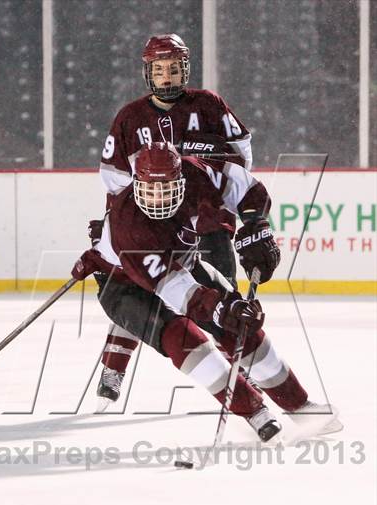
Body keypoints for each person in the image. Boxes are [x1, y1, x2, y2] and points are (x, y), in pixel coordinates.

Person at [73, 143, 341, 438]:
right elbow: (175, 289)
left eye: (166, 188)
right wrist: (218, 308)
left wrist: (256, 225)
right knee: (184, 338)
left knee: (242, 327)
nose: (159, 199)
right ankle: (253, 410)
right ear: (136, 184)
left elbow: (245, 186)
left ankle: (300, 406)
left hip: (184, 262)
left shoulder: (198, 173)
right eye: (151, 190)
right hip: (124, 284)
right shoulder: (129, 223)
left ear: (181, 179)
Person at [94, 33, 254, 407]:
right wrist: (114, 223)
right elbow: (116, 181)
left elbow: (241, 158)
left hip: (208, 222)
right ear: (149, 73)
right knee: (140, 290)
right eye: (160, 70)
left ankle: (240, 371)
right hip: (155, 225)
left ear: (185, 69)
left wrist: (211, 160)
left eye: (174, 69)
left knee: (224, 298)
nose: (167, 77)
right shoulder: (130, 118)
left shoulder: (210, 105)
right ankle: (113, 368)